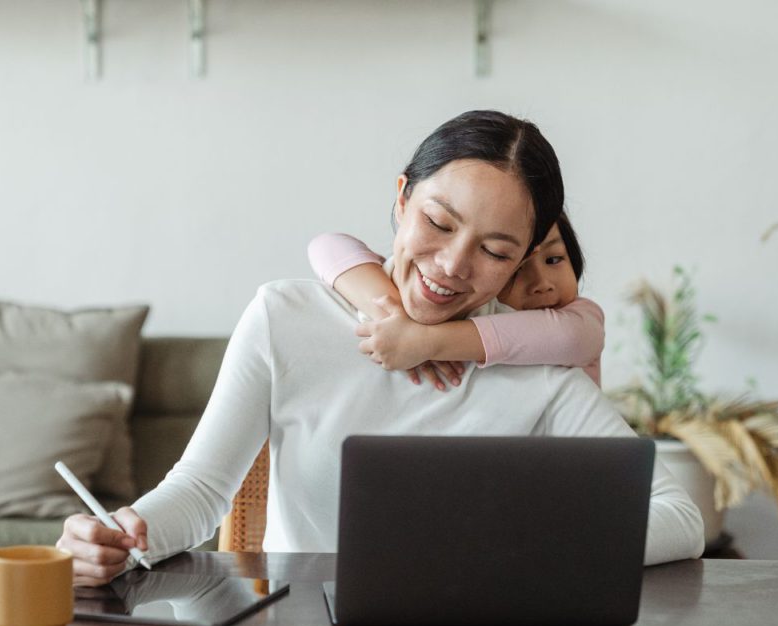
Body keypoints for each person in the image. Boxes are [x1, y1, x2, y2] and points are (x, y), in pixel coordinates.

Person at [57, 110, 704, 586]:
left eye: (496, 250)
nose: (452, 265)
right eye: (438, 223)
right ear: (400, 200)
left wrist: (534, 546)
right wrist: (119, 534)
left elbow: (679, 517)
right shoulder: (287, 318)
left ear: (523, 261)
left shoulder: (537, 366)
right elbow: (200, 493)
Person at [307, 211, 604, 389]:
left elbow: (570, 338)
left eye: (555, 259)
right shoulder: (471, 310)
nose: (542, 284)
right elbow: (327, 245)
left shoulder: (580, 318)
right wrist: (394, 317)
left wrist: (425, 340)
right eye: (517, 269)